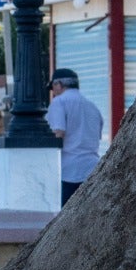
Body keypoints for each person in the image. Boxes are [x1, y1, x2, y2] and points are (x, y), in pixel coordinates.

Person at [45, 68, 104, 205]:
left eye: (53, 87)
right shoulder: (92, 107)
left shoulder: (59, 102)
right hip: (92, 170)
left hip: (69, 172)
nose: (53, 93)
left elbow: (58, 133)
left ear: (59, 84)